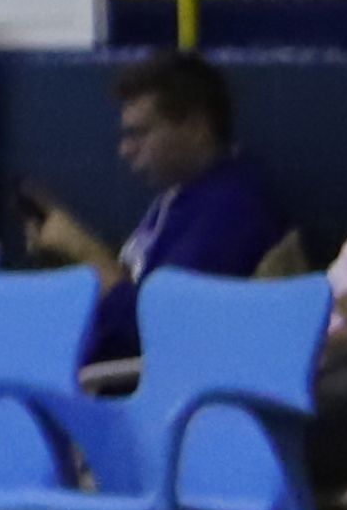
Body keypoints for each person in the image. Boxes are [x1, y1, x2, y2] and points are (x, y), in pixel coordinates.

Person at [22, 49, 291, 362]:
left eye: (140, 133)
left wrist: (85, 251)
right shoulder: (180, 196)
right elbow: (136, 284)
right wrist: (68, 254)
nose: (126, 150)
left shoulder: (230, 211)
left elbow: (153, 331)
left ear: (196, 127)